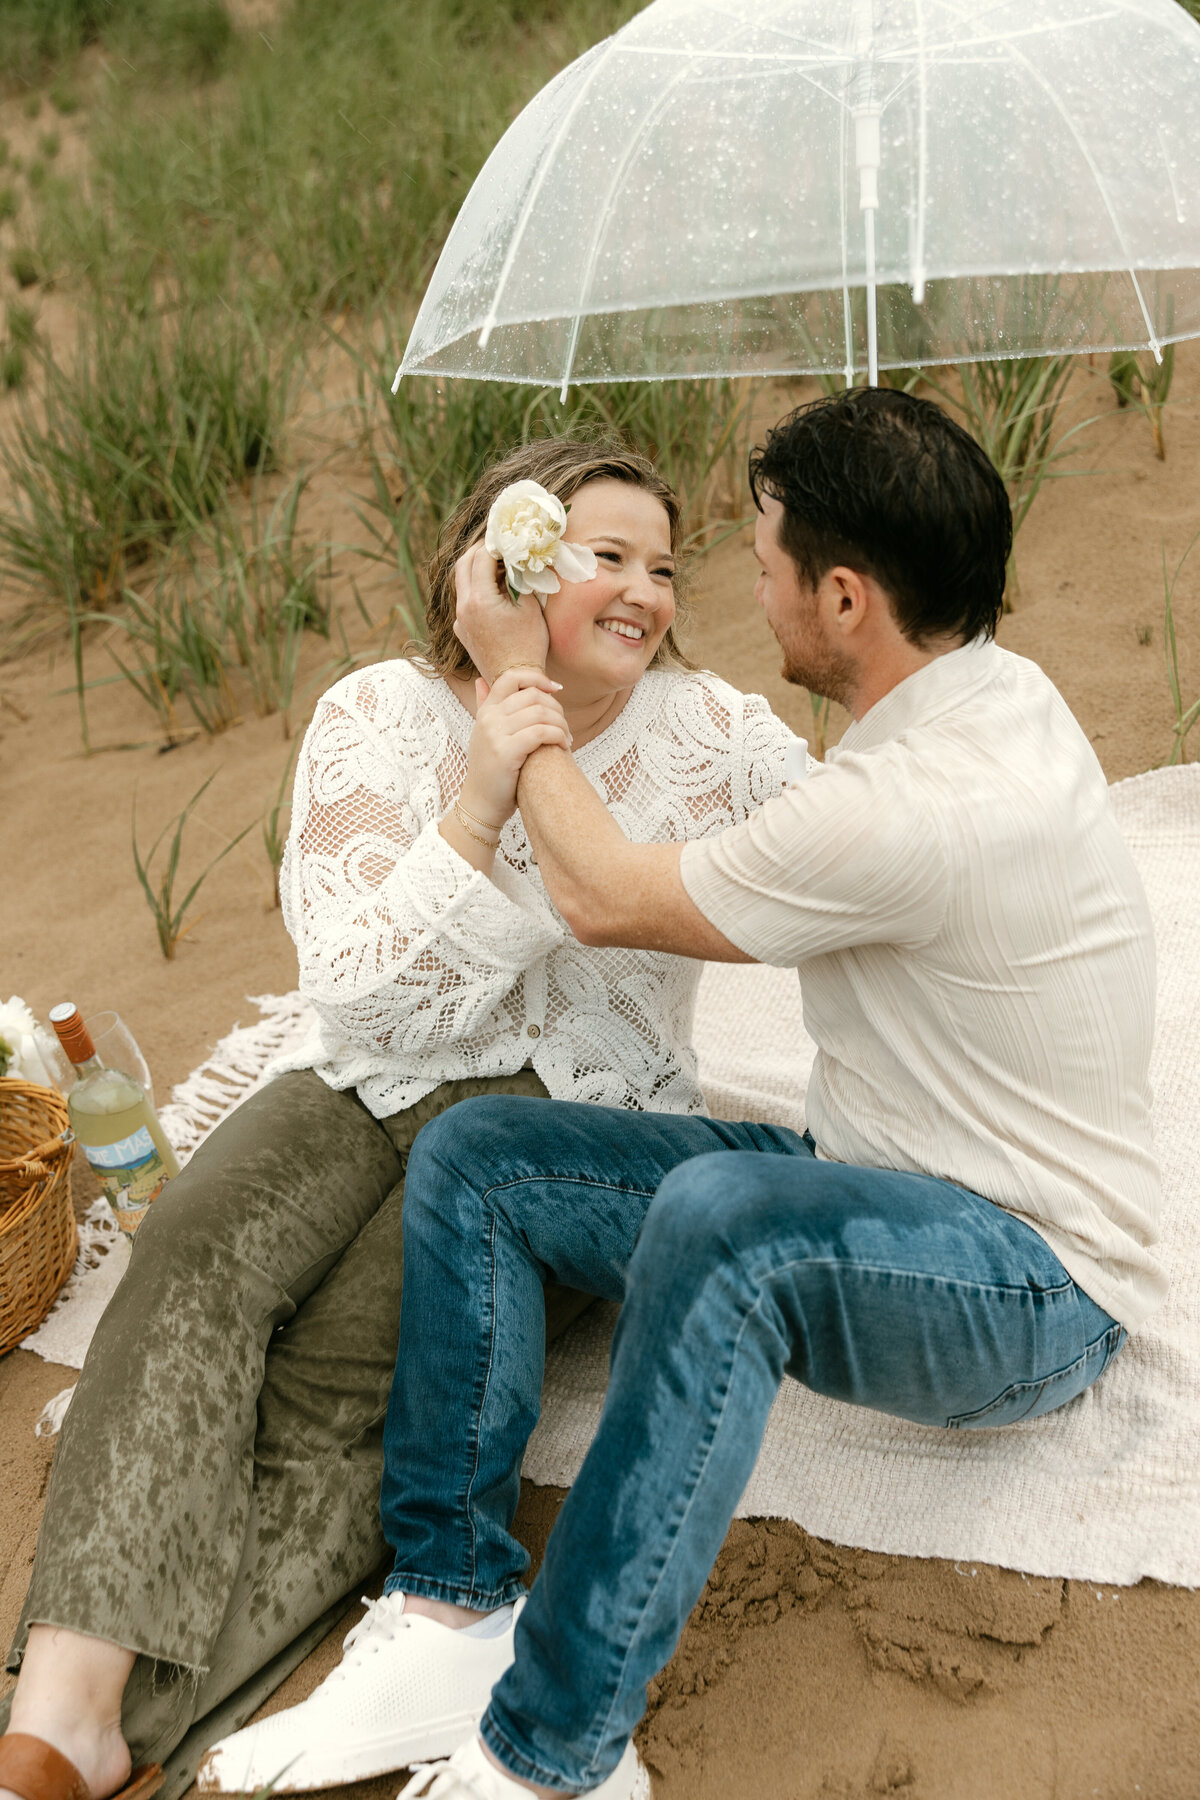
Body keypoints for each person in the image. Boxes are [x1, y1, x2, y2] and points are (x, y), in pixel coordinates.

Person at [202, 388, 1163, 1800]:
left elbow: (597, 895)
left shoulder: (912, 803)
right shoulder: (986, 694)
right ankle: (451, 1608)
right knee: (482, 1158)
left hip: (1023, 1278)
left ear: (844, 597)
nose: (736, 588)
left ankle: (557, 1749)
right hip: (881, 1179)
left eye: (762, 559)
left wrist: (511, 684)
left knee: (725, 1216)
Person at [0, 438, 799, 1800]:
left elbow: (858, 843)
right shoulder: (377, 710)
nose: (646, 592)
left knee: (345, 1368)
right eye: (603, 555)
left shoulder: (710, 734)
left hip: (560, 1114)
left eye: (664, 566)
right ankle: (65, 1692)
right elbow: (358, 996)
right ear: (503, 564)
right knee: (191, 1255)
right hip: (364, 1074)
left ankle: (137, 1727)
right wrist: (489, 767)